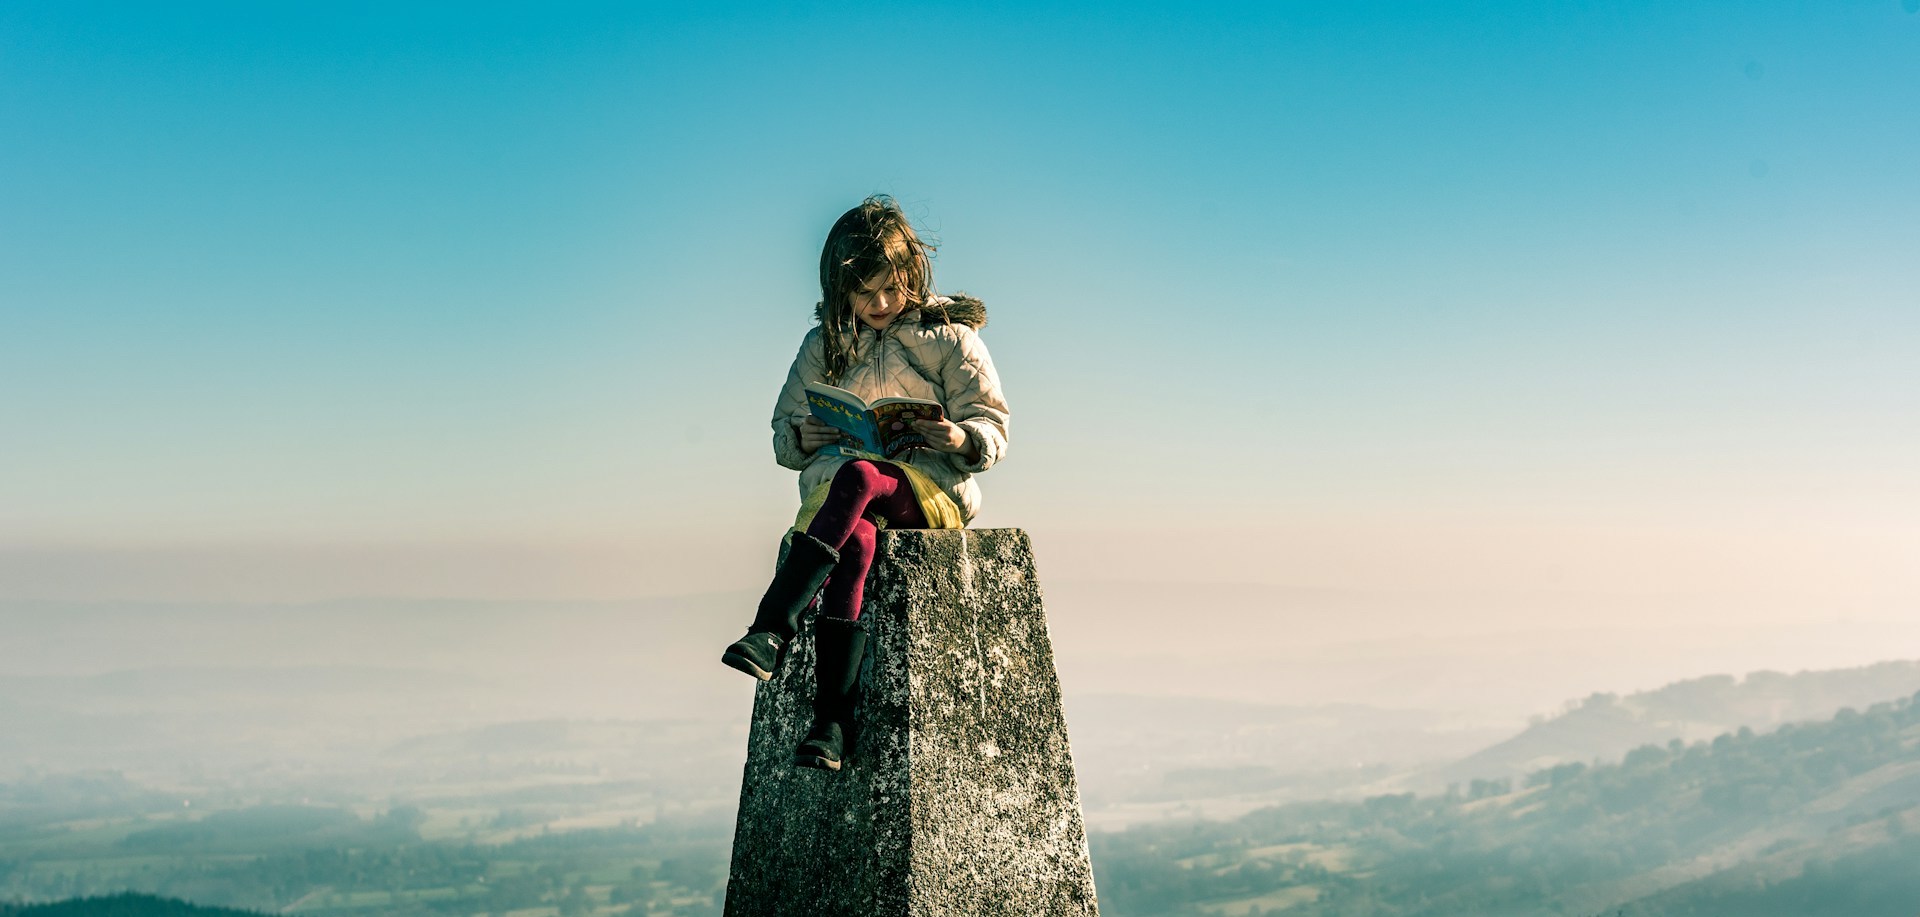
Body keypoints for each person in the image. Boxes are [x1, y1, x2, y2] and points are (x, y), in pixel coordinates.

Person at [721, 195, 1010, 772]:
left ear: (912, 276)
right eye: (863, 292)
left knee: (860, 475)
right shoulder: (821, 346)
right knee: (854, 542)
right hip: (846, 502)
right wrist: (803, 438)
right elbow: (783, 433)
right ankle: (831, 725)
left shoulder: (948, 337)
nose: (879, 304)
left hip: (928, 491)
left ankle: (771, 628)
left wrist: (956, 438)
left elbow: (993, 426)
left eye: (891, 287)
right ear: (839, 289)